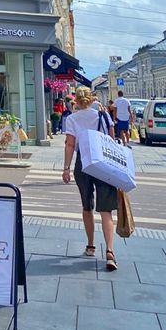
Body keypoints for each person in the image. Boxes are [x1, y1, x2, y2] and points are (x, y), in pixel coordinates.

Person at [62, 86, 118, 271]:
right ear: (92, 99)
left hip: (83, 162)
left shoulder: (71, 119)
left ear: (76, 101)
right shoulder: (102, 115)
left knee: (87, 206)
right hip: (102, 161)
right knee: (106, 210)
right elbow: (112, 139)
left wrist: (66, 168)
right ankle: (110, 251)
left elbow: (70, 144)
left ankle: (91, 245)